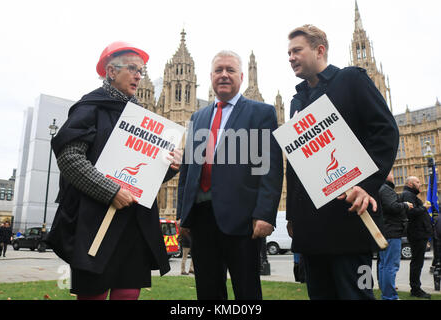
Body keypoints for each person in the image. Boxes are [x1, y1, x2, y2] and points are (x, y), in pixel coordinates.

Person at [47, 41, 182, 300]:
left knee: (128, 293)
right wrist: (110, 191)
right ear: (111, 71)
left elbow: (142, 173)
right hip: (94, 223)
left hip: (133, 226)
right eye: (132, 68)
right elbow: (70, 158)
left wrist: (169, 166)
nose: (138, 76)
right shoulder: (90, 107)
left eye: (141, 70)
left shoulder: (143, 117)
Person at [285, 25, 399, 300]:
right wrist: (291, 214)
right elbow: (296, 164)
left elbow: (386, 131)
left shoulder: (351, 79)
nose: (290, 57)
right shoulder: (297, 101)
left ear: (319, 50)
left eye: (297, 50)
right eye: (288, 53)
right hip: (312, 230)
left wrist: (366, 185)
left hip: (348, 222)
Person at [177, 50, 283, 300]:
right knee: (208, 290)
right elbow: (188, 170)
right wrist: (184, 214)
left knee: (246, 290)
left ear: (242, 76)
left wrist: (265, 214)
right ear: (211, 76)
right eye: (218, 70)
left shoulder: (261, 112)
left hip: (243, 220)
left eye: (230, 70)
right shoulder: (198, 116)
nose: (224, 75)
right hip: (202, 219)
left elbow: (269, 167)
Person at [377, 171, 412, 300]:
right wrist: (406, 205)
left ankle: (386, 293)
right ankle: (389, 296)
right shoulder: (385, 189)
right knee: (391, 266)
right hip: (392, 232)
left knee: (384, 265)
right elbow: (392, 207)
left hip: (385, 231)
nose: (393, 175)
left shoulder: (380, 187)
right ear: (386, 174)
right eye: (391, 172)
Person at [401, 176, 433, 299]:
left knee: (417, 262)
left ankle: (416, 288)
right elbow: (411, 213)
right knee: (417, 263)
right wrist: (424, 207)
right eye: (417, 182)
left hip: (420, 233)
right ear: (410, 183)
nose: (420, 184)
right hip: (417, 234)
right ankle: (415, 289)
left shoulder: (410, 195)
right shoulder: (408, 195)